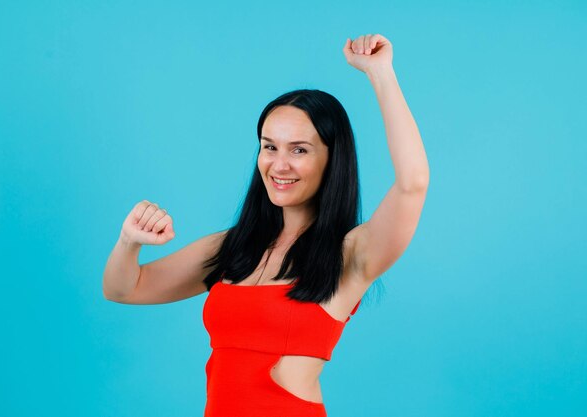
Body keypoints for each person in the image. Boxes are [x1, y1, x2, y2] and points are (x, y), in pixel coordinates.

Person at [103, 33, 429, 417]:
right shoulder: (232, 248)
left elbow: (413, 184)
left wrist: (380, 73)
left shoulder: (351, 255)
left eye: (300, 150)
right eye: (269, 146)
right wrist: (129, 241)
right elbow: (124, 289)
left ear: (332, 159)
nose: (279, 164)